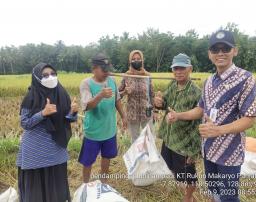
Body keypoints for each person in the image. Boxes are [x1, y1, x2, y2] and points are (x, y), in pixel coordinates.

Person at [166, 30, 256, 202]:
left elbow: (250, 118)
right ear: (210, 54)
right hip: (208, 151)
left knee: (229, 197)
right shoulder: (209, 81)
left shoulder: (245, 79)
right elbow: (201, 109)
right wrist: (178, 115)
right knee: (214, 192)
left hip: (230, 155)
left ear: (235, 51)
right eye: (216, 49)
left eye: (226, 48)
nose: (221, 53)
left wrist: (219, 130)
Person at [17, 62, 78, 202]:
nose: (50, 77)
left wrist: (72, 112)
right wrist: (43, 113)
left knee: (56, 184)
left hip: (56, 148)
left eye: (53, 74)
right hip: (35, 151)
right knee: (37, 189)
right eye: (45, 75)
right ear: (37, 78)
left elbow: (66, 119)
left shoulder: (61, 93)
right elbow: (25, 123)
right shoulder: (31, 97)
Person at [154, 53, 201, 202]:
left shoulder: (195, 91)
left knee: (189, 175)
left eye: (182, 68)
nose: (178, 72)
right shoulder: (172, 85)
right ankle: (182, 187)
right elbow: (164, 104)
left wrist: (179, 115)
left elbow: (200, 114)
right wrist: (158, 102)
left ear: (190, 69)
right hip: (169, 138)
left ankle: (188, 198)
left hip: (185, 142)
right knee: (172, 167)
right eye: (176, 68)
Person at [79, 53, 127, 183]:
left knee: (107, 157)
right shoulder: (86, 84)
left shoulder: (112, 81)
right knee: (88, 161)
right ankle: (85, 184)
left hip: (110, 130)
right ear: (94, 68)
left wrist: (124, 116)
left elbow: (117, 100)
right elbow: (87, 106)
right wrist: (100, 95)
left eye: (108, 69)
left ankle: (104, 183)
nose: (107, 72)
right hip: (93, 133)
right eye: (103, 69)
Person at [118, 50, 154, 143]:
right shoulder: (127, 75)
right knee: (135, 140)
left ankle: (149, 157)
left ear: (142, 60)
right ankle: (137, 157)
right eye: (133, 59)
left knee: (149, 139)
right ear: (130, 61)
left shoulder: (147, 76)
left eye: (138, 59)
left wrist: (156, 111)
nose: (136, 61)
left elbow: (152, 94)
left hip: (146, 112)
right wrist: (125, 92)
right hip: (132, 113)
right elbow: (118, 95)